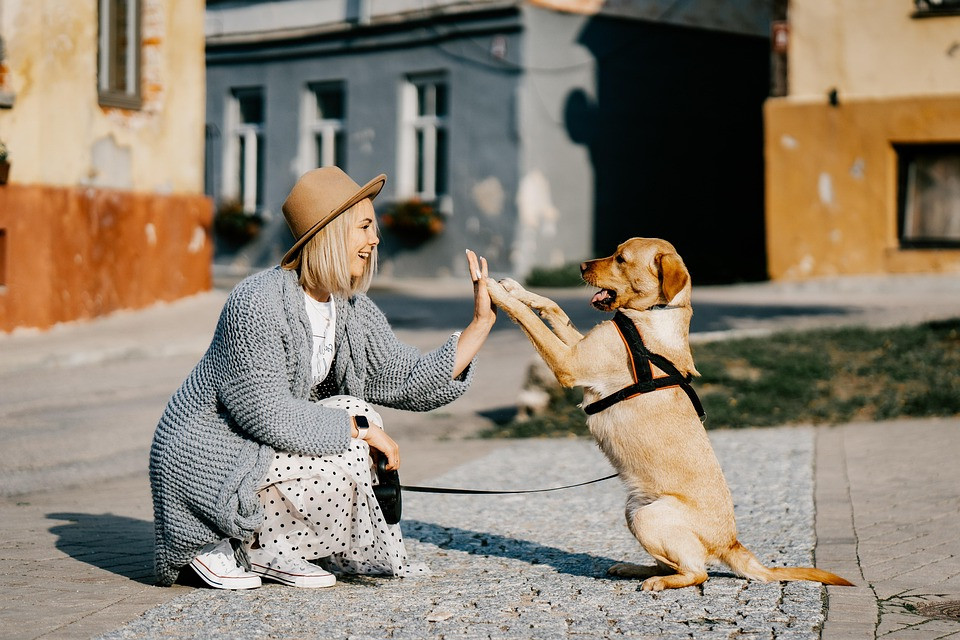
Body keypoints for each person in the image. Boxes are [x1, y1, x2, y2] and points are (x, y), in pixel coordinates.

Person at [149, 167, 496, 589]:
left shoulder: (349, 308)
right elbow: (266, 413)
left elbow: (403, 377)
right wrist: (360, 431)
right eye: (365, 226)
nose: (375, 240)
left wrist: (479, 325)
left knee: (358, 412)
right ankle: (226, 541)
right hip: (210, 457)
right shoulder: (256, 301)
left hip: (260, 449)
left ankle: (277, 548)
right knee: (355, 426)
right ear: (331, 232)